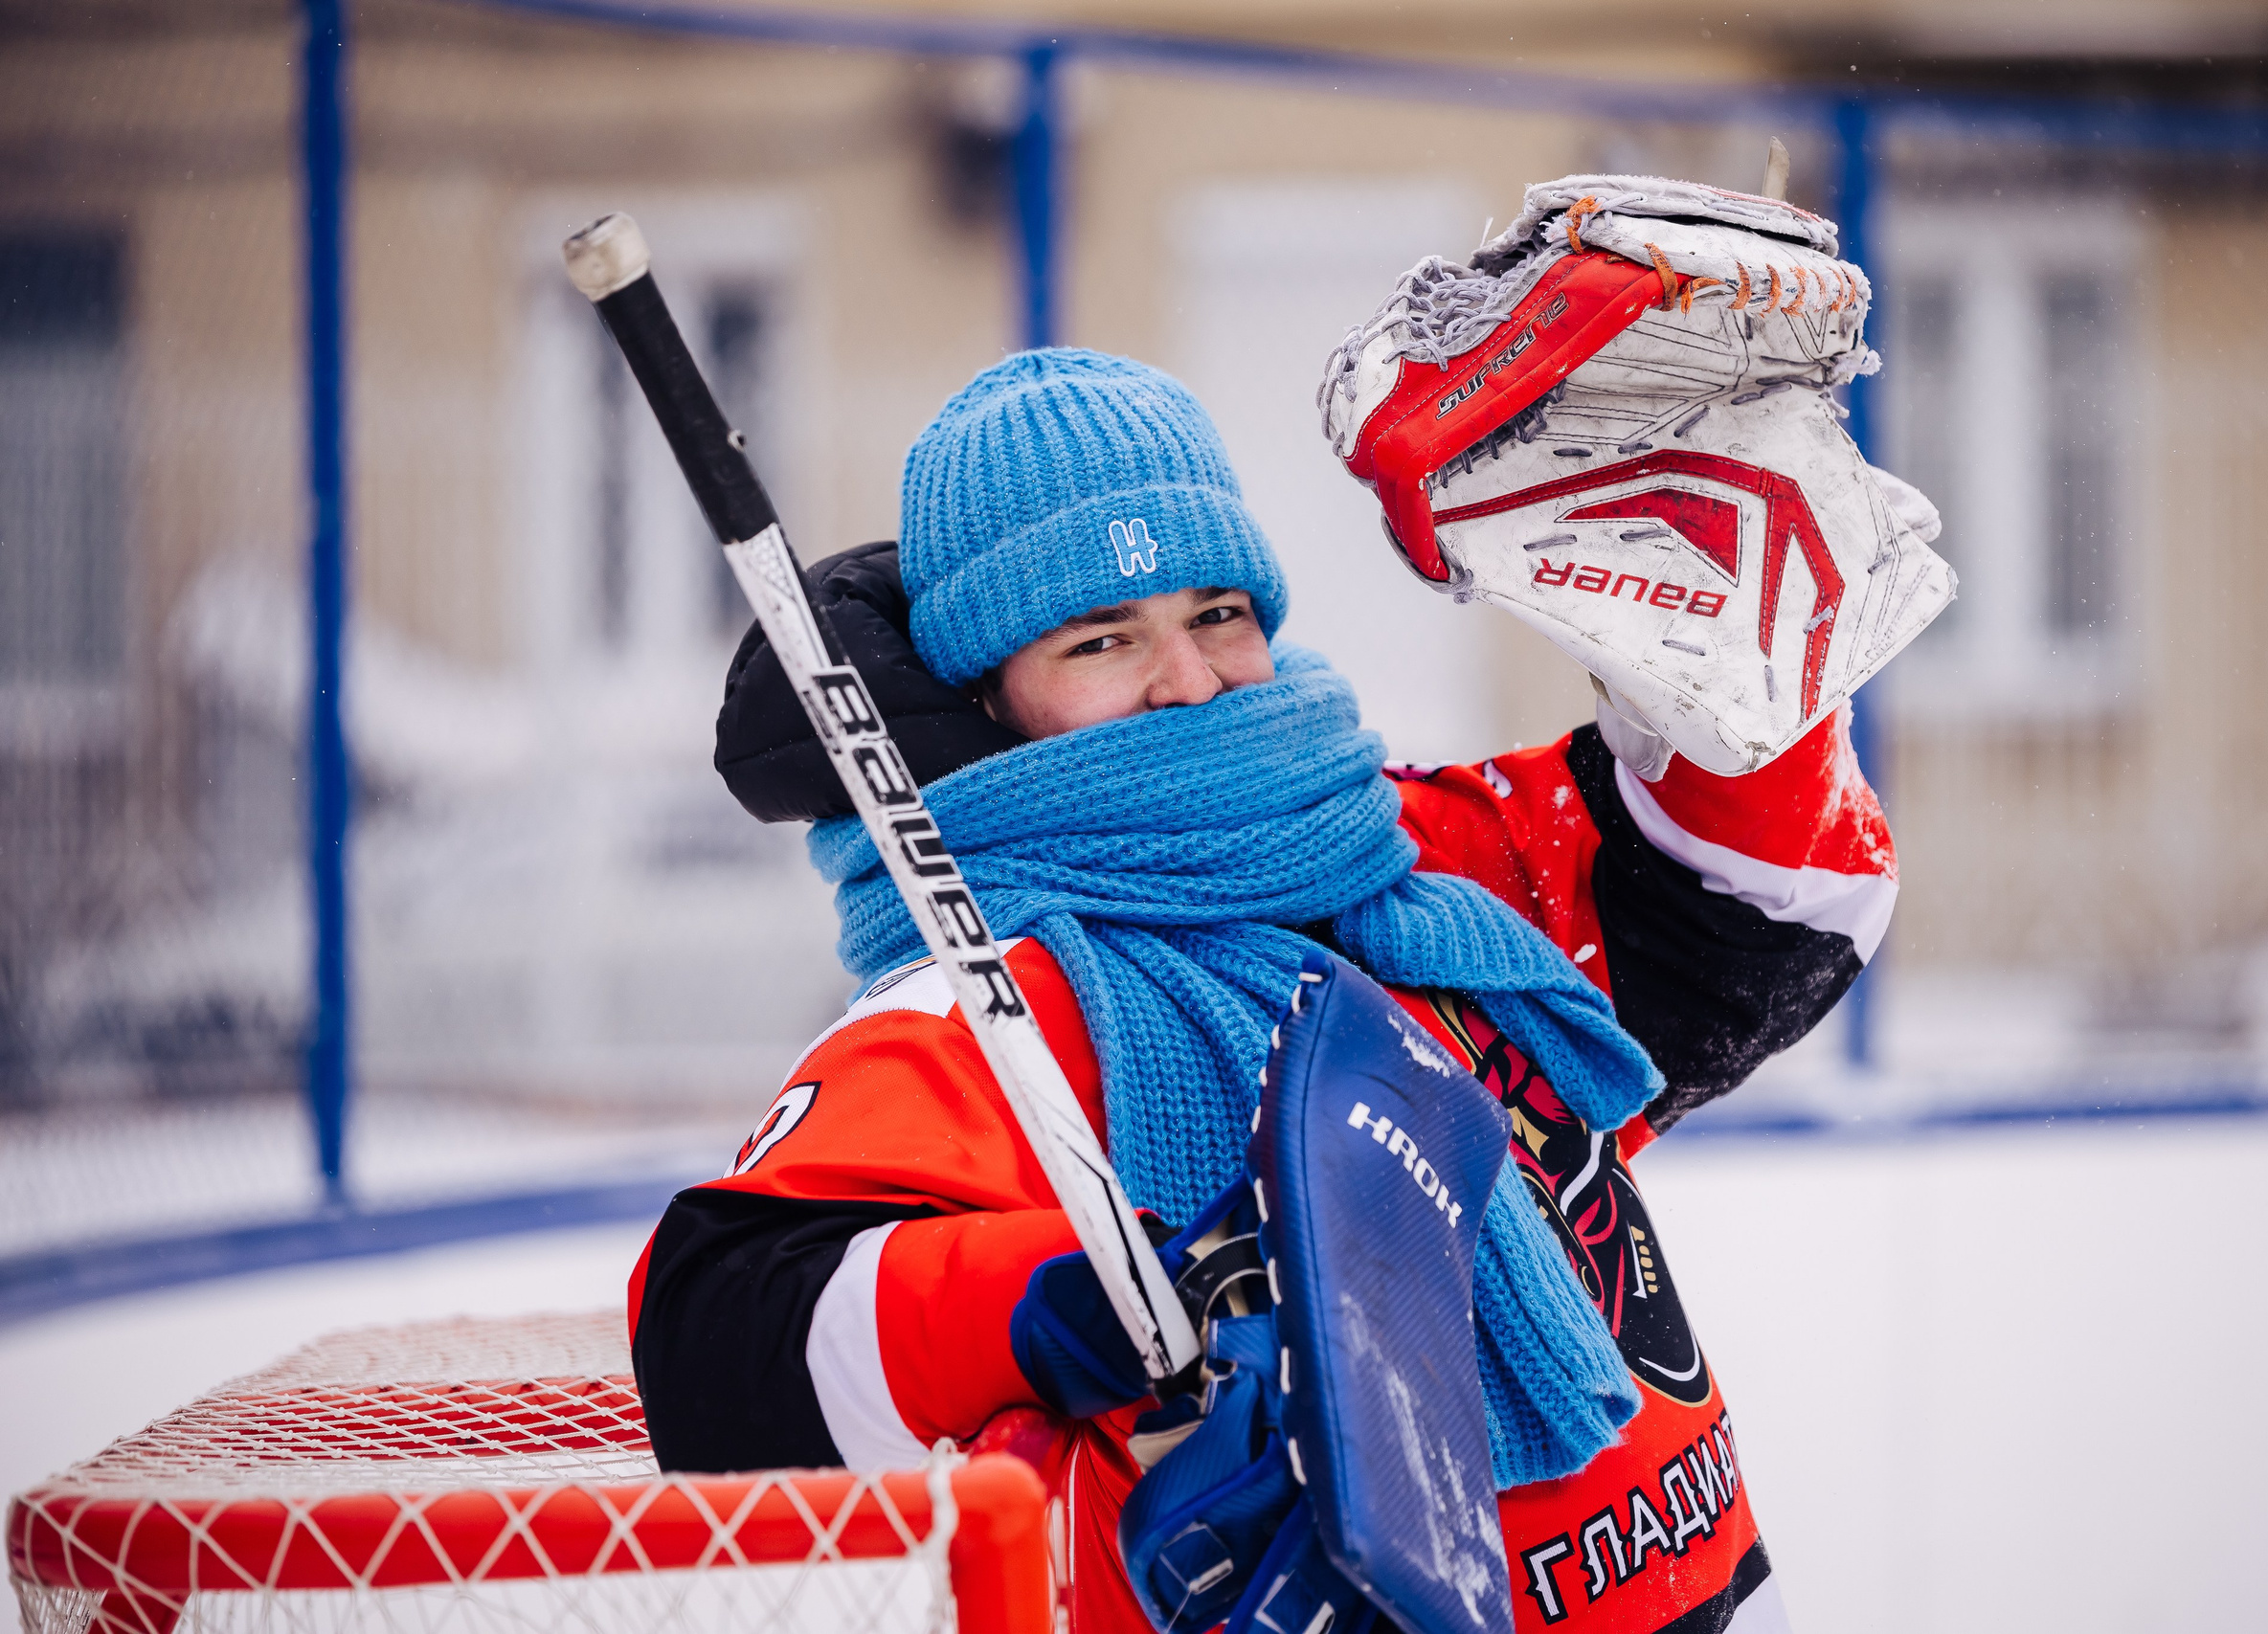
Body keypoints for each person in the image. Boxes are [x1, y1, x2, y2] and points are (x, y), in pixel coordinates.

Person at [627, 347, 1895, 1632]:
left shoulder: (1393, 854)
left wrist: (1707, 593)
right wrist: (1061, 1303)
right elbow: (717, 1350)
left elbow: (1770, 908)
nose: (1185, 679)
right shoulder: (988, 1003)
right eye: (1103, 638)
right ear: (991, 699)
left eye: (1216, 613)